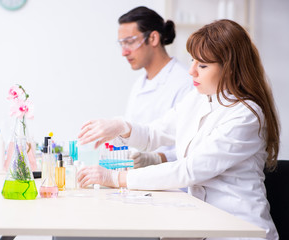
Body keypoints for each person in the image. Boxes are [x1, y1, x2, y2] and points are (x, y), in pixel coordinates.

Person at [77, 19, 280, 240]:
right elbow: (157, 132)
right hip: (202, 221)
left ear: (229, 69)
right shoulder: (199, 98)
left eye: (202, 65)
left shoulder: (246, 114)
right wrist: (122, 126)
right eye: (192, 61)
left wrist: (116, 178)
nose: (191, 71)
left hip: (238, 229)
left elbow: (190, 170)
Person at [117, 6, 192, 167]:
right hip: (139, 182)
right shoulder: (139, 84)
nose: (124, 52)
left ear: (153, 38)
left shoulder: (186, 83)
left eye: (130, 42)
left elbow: (192, 151)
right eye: (122, 44)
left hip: (173, 186)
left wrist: (155, 158)